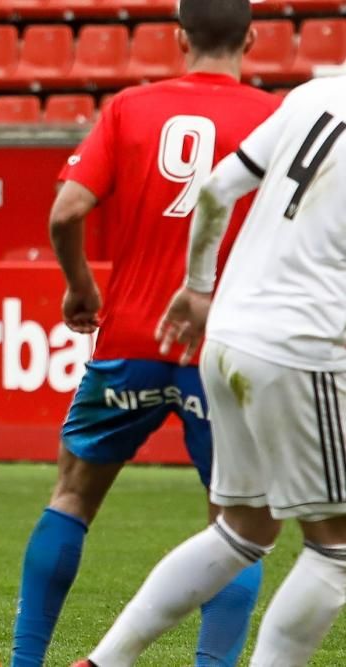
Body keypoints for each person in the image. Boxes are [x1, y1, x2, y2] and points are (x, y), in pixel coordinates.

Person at [11, 1, 281, 665]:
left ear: (178, 36)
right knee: (237, 524)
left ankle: (25, 661)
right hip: (223, 344)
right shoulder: (278, 117)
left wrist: (80, 286)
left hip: (129, 337)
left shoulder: (131, 107)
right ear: (250, 36)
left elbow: (66, 210)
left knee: (72, 495)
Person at [77, 73, 346, 667]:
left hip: (226, 330)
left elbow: (219, 186)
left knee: (244, 530)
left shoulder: (313, 94)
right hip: (300, 343)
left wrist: (199, 289)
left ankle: (105, 661)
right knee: (336, 550)